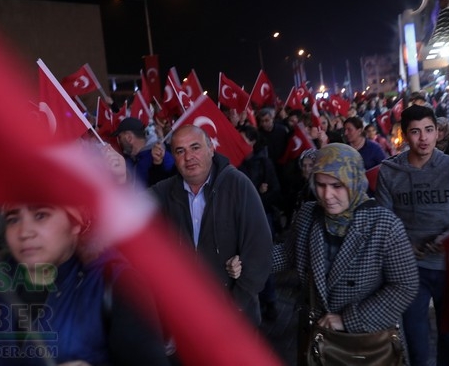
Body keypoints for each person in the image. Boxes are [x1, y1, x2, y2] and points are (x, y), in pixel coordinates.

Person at [0, 203, 170, 366]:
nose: (24, 232)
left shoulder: (114, 283)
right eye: (13, 219)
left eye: (41, 215)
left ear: (75, 223)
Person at [270, 143, 418, 363]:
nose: (327, 195)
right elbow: (289, 253)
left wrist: (348, 319)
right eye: (320, 185)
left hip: (366, 344)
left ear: (354, 181)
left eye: (337, 185)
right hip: (319, 339)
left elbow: (404, 285)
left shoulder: (384, 225)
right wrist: (248, 260)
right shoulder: (309, 215)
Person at [375, 105, 449, 366]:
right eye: (416, 132)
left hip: (448, 264)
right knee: (415, 336)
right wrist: (403, 244)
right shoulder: (389, 170)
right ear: (404, 135)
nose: (424, 138)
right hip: (408, 267)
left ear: (437, 131)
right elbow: (383, 218)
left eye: (429, 130)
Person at [150, 125, 272, 328]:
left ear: (211, 149)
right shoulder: (166, 191)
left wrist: (236, 303)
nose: (188, 157)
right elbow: (129, 209)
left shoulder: (238, 185)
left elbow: (259, 250)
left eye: (195, 147)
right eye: (180, 151)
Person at [237, 124, 282, 320]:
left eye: (243, 139)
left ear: (253, 142)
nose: (238, 143)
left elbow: (275, 191)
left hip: (262, 217)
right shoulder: (233, 162)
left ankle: (269, 300)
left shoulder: (264, 163)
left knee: (263, 259)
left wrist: (256, 198)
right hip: (239, 219)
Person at [111, 117, 175, 187]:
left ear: (129, 138)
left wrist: (157, 164)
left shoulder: (161, 155)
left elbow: (173, 183)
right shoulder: (129, 160)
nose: (119, 142)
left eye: (120, 137)